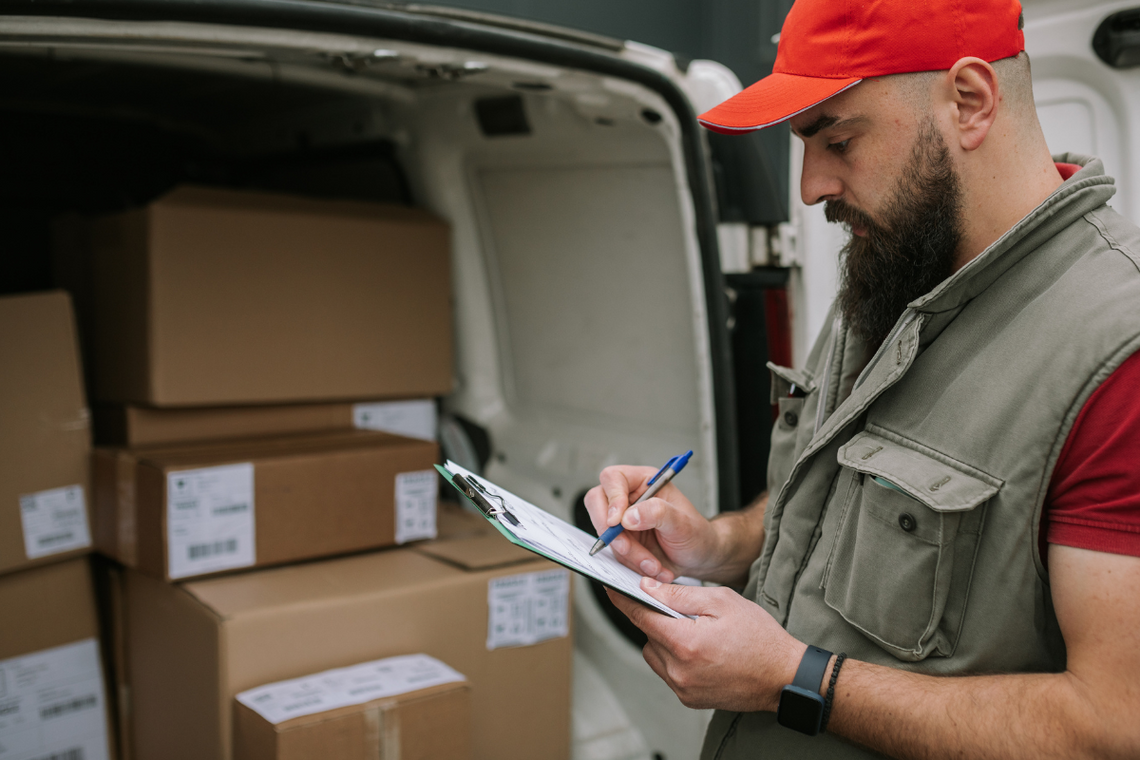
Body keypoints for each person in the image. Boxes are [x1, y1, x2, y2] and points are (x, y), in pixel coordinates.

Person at [583, 0, 1140, 757]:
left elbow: (1111, 725)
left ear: (969, 101)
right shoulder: (894, 267)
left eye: (837, 139)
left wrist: (793, 679)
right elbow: (833, 500)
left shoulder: (1117, 353)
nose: (811, 187)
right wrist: (716, 544)